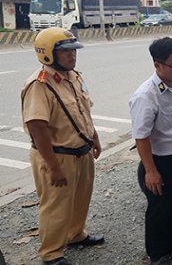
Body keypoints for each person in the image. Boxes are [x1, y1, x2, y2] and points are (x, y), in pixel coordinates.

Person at [21, 27, 103, 265]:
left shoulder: (74, 76)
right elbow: (38, 128)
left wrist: (94, 138)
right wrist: (53, 166)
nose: (72, 55)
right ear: (48, 53)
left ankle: (76, 234)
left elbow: (82, 112)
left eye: (73, 51)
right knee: (56, 206)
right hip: (57, 155)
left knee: (80, 198)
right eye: (66, 51)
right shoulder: (40, 84)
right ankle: (52, 253)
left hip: (81, 150)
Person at [129, 37, 172, 265]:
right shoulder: (146, 95)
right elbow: (141, 135)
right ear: (157, 65)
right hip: (159, 161)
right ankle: (157, 255)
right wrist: (150, 171)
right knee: (160, 210)